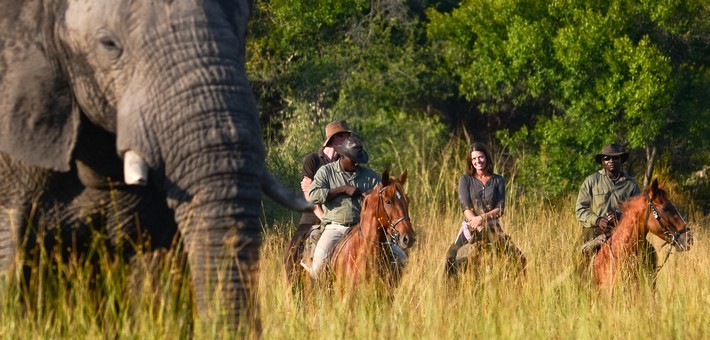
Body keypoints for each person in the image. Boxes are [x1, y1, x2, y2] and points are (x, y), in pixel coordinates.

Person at [303, 136, 381, 279]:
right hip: (335, 227)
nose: (357, 164)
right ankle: (320, 295)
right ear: (343, 156)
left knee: (399, 257)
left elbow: (384, 195)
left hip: (362, 227)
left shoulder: (370, 176)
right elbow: (313, 195)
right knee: (318, 268)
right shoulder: (326, 172)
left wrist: (371, 197)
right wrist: (342, 189)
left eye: (359, 160)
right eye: (354, 160)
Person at [444, 142, 526, 277]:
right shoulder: (465, 180)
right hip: (470, 226)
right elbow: (465, 206)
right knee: (450, 256)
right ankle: (448, 288)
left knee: (519, 258)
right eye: (474, 159)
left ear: (486, 157)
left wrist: (482, 218)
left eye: (480, 157)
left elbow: (500, 209)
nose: (478, 161)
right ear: (470, 161)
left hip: (492, 226)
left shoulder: (498, 180)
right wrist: (475, 222)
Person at [284, 120, 352, 279]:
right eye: (344, 136)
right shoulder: (312, 160)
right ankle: (294, 293)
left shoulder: (345, 161)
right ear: (334, 138)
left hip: (337, 214)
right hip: (312, 216)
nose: (348, 140)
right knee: (290, 253)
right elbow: (309, 193)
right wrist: (323, 217)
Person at [576, 143, 641, 257]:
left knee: (645, 251)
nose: (611, 161)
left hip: (622, 229)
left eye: (615, 158)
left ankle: (647, 273)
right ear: (602, 162)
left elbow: (639, 211)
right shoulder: (591, 181)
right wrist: (597, 220)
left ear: (621, 160)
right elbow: (580, 210)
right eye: (607, 158)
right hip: (595, 230)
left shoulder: (631, 184)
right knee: (581, 254)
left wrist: (620, 217)